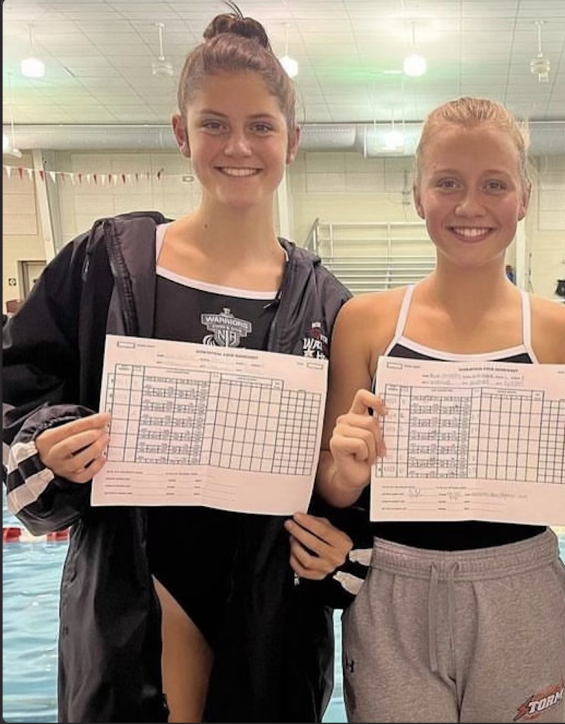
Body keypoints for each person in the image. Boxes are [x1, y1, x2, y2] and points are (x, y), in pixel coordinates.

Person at [2, 10, 371, 724]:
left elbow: (349, 462)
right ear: (181, 132)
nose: (239, 146)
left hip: (268, 608)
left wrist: (340, 540)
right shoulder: (106, 264)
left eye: (261, 126)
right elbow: (21, 387)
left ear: (292, 142)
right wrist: (51, 440)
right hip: (134, 591)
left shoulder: (325, 302)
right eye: (214, 125)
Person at [315, 96, 565, 723]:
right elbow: (332, 481)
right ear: (417, 194)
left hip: (522, 589)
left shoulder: (561, 332)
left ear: (524, 198)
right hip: (392, 589)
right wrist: (347, 471)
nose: (469, 206)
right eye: (447, 183)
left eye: (493, 185)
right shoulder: (366, 323)